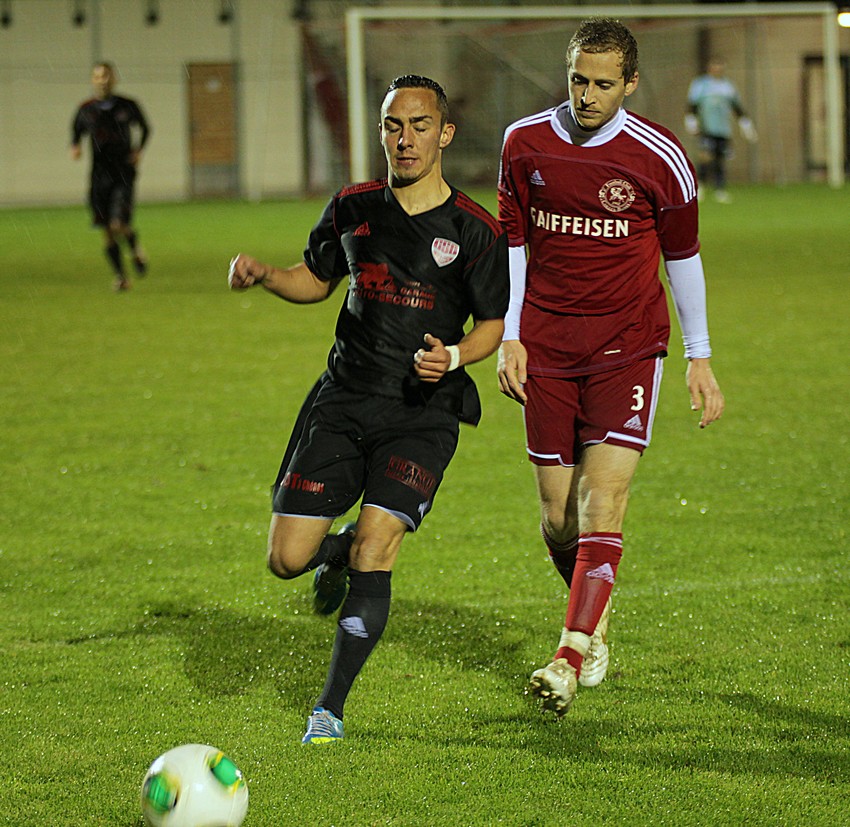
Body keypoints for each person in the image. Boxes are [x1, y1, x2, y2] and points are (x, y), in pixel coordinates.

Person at [228, 75, 509, 744]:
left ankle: (329, 708)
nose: (404, 139)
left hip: (422, 413)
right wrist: (268, 276)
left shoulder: (475, 230)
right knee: (286, 559)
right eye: (392, 126)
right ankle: (335, 551)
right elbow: (316, 279)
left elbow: (494, 323)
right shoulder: (352, 206)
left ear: (443, 134)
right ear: (381, 131)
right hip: (343, 400)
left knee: (379, 544)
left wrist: (457, 356)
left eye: (418, 125)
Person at [497, 18, 725, 718]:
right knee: (559, 518)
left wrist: (699, 354)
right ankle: (593, 603)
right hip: (547, 349)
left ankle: (570, 651)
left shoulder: (660, 154)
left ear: (630, 83)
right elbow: (512, 244)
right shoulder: (524, 142)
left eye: (603, 84)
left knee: (605, 504)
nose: (588, 95)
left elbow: (682, 257)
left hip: (628, 347)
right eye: (578, 80)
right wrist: (510, 336)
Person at [70, 62, 150, 291]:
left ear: (113, 79)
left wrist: (139, 150)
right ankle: (121, 277)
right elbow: (75, 132)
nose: (102, 80)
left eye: (106, 75)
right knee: (106, 229)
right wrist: (75, 147)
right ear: (92, 80)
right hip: (99, 177)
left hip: (123, 173)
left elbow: (145, 128)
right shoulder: (86, 109)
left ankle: (134, 247)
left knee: (117, 224)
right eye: (97, 76)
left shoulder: (128, 105)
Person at [685, 58, 757, 203]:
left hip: (723, 129)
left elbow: (737, 107)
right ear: (709, 68)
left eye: (720, 66)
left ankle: (720, 190)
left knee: (720, 159)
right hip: (706, 128)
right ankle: (699, 188)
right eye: (715, 66)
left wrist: (746, 125)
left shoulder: (727, 86)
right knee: (704, 157)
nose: (717, 69)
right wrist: (691, 121)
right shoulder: (701, 84)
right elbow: (692, 104)